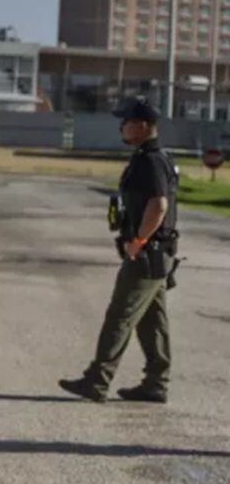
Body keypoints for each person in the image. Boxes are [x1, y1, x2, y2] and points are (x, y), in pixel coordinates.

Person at [60, 97, 178, 404]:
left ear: (143, 125)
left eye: (125, 121)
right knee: (153, 321)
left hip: (146, 254)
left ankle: (97, 380)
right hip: (156, 254)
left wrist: (138, 240)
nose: (121, 126)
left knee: (120, 316)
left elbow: (159, 205)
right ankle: (156, 383)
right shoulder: (153, 156)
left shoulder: (150, 160)